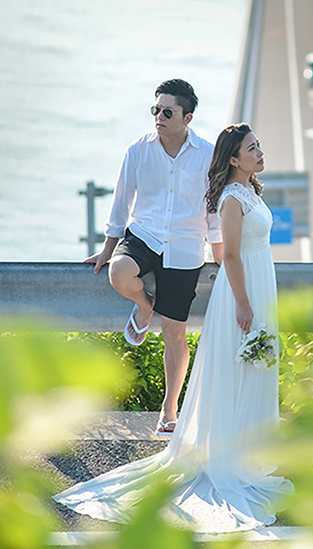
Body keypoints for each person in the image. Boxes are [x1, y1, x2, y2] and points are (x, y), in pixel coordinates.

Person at [55, 123, 292, 533]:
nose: (260, 152)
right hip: (245, 290)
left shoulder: (252, 190)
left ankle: (247, 449)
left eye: (258, 145)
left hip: (259, 284)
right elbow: (230, 257)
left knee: (253, 368)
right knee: (235, 369)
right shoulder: (233, 198)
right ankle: (225, 455)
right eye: (252, 148)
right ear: (234, 159)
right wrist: (243, 303)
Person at [86, 78, 223, 437]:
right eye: (155, 110)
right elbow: (122, 201)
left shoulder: (208, 154)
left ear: (187, 117)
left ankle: (169, 408)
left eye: (167, 111)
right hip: (144, 235)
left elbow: (213, 211)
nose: (158, 117)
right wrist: (107, 246)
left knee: (175, 334)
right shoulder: (138, 150)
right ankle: (145, 306)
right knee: (119, 273)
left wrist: (221, 253)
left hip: (186, 246)